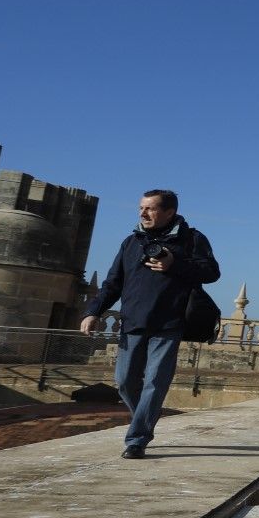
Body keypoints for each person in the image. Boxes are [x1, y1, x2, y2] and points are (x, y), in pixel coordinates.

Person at [81, 189, 220, 459]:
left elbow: (211, 272)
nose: (143, 213)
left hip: (170, 322)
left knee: (155, 382)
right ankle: (144, 419)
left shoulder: (192, 239)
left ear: (169, 212)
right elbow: (113, 283)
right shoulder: (131, 243)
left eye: (150, 209)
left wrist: (174, 263)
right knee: (124, 382)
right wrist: (93, 311)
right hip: (133, 320)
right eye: (141, 208)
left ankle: (137, 439)